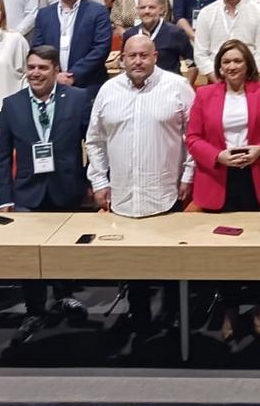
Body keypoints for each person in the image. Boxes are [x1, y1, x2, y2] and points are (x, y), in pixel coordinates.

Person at [86, 35, 195, 336]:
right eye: (131, 56)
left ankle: (173, 313)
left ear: (155, 56)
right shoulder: (108, 90)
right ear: (121, 58)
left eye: (143, 56)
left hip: (165, 190)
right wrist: (99, 179)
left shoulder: (177, 87)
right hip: (122, 192)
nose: (137, 61)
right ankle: (140, 317)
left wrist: (188, 175)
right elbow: (94, 140)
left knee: (169, 259)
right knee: (133, 260)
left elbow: (194, 137)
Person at [0, 42, 94, 342]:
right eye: (32, 67)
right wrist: (5, 197)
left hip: (66, 187)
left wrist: (91, 181)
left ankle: (64, 297)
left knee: (64, 249)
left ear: (56, 71)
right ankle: (35, 308)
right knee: (29, 254)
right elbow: (2, 157)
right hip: (27, 191)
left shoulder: (77, 99)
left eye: (42, 68)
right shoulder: (12, 104)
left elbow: (93, 143)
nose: (35, 73)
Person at [186, 39, 260, 340]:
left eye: (237, 61)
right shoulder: (204, 95)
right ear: (219, 66)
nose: (231, 66)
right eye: (226, 61)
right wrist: (217, 156)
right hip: (220, 177)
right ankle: (229, 309)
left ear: (248, 65)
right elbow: (192, 138)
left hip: (256, 175)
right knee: (224, 250)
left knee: (259, 248)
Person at [31, 0, 113, 90]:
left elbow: (101, 48)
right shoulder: (44, 14)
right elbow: (38, 48)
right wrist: (55, 75)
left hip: (88, 85)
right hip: (53, 84)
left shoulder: (98, 12)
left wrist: (73, 75)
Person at [123, 0, 195, 80]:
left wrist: (187, 87)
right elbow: (124, 64)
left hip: (169, 88)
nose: (147, 11)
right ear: (137, 10)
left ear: (161, 10)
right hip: (138, 88)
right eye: (142, 7)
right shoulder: (130, 35)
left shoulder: (176, 33)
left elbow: (192, 63)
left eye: (151, 7)